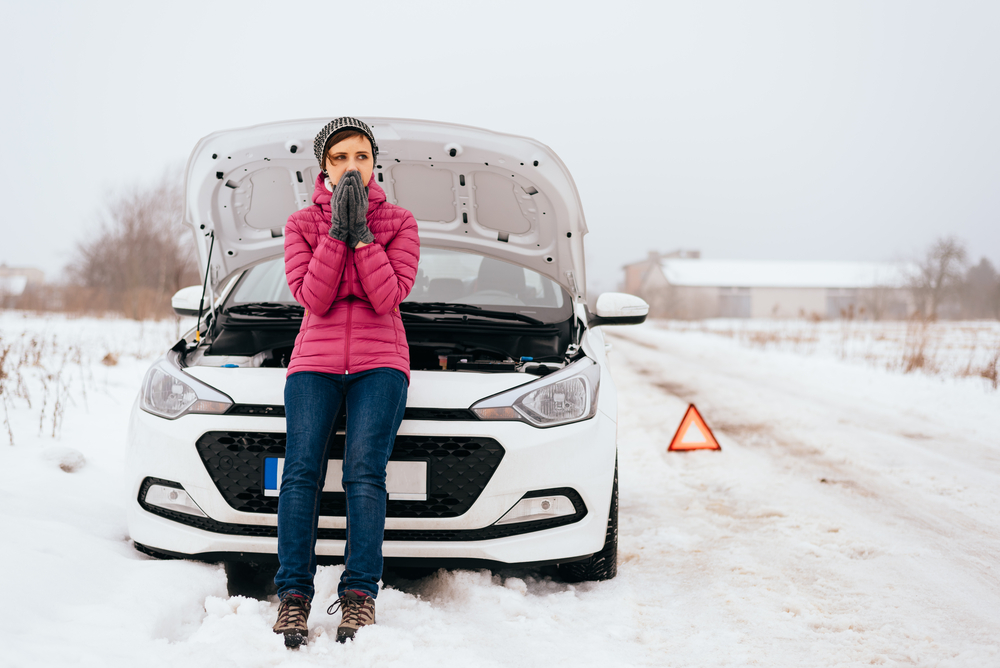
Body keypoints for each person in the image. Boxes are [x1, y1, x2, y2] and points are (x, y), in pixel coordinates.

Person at [271, 117, 420, 648]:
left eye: (361, 155)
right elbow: (313, 298)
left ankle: (360, 595)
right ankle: (293, 596)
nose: (351, 166)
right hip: (314, 361)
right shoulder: (300, 224)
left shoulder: (399, 221)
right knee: (301, 474)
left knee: (364, 474)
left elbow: (388, 296)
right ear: (323, 168)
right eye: (340, 158)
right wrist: (336, 230)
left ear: (375, 162)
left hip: (381, 361)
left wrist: (362, 234)